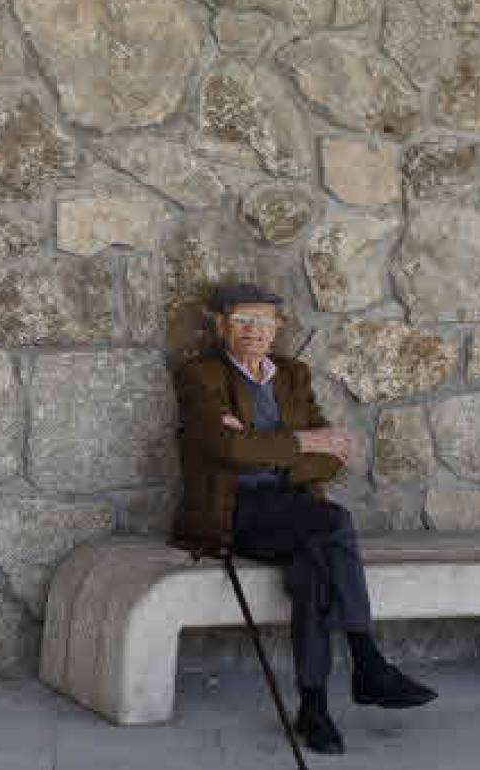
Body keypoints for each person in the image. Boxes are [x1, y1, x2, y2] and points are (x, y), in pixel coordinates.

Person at [169, 283, 437, 755]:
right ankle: (367, 659)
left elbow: (333, 458)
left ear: (278, 328)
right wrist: (300, 443)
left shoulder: (292, 375)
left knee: (313, 570)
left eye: (264, 322)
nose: (254, 331)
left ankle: (314, 710)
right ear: (222, 325)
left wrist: (264, 447)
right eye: (243, 321)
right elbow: (228, 450)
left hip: (293, 511)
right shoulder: (199, 376)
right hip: (233, 512)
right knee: (333, 522)